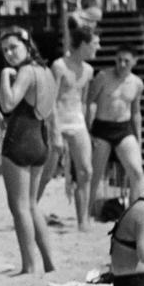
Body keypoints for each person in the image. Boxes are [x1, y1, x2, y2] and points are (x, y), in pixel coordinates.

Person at [0, 27, 56, 275]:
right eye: (5, 50)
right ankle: (50, 263)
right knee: (32, 205)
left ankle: (29, 265)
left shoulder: (26, 71)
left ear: (27, 45)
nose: (9, 54)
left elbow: (8, 104)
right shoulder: (46, 71)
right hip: (40, 139)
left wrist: (3, 75)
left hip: (20, 140)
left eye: (13, 47)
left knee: (19, 206)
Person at [41, 23, 99, 231]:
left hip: (77, 121)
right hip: (58, 119)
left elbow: (82, 100)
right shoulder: (59, 65)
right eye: (94, 43)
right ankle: (30, 209)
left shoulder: (88, 70)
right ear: (83, 44)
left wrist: (86, 126)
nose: (97, 48)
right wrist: (54, 130)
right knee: (47, 173)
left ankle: (82, 220)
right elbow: (51, 99)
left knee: (86, 171)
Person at [87, 47, 144, 217]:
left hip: (123, 128)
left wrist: (138, 137)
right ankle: (87, 212)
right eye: (119, 59)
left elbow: (136, 112)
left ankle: (134, 213)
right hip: (101, 127)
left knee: (137, 172)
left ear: (135, 61)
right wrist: (88, 130)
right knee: (95, 175)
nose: (121, 64)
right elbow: (90, 102)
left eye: (126, 60)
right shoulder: (103, 77)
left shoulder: (137, 83)